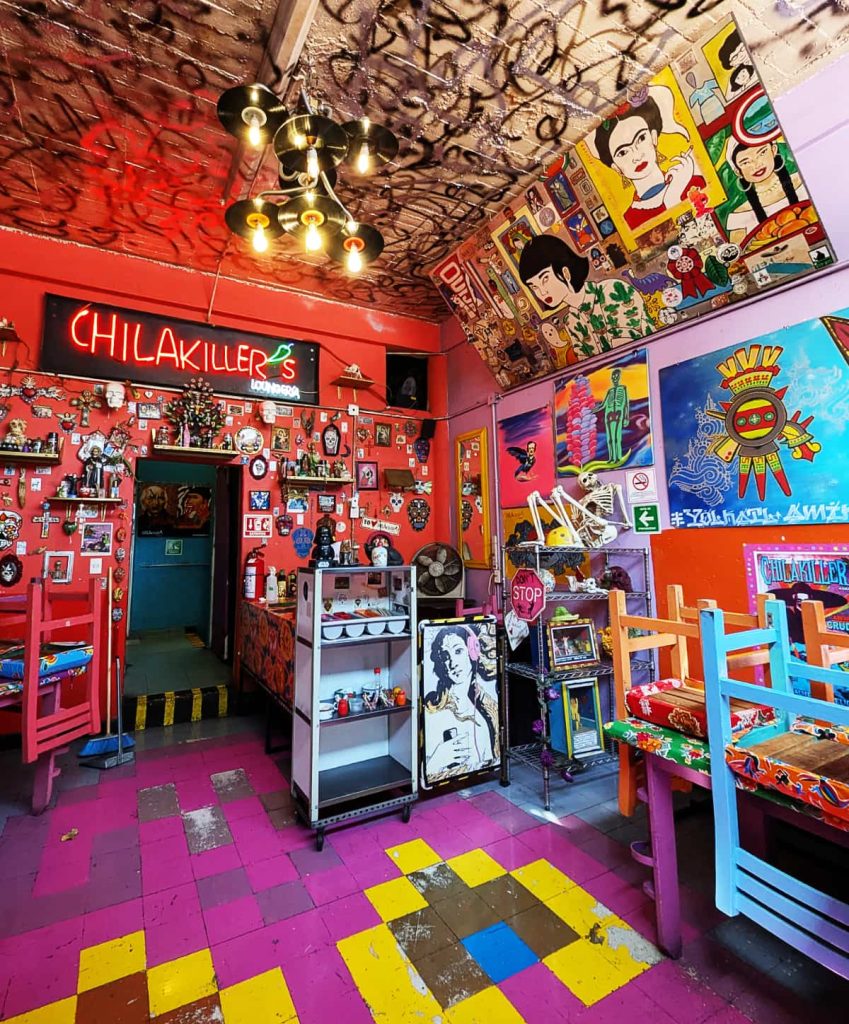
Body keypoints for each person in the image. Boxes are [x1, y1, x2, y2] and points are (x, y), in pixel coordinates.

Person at [518, 233, 651, 356]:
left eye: (545, 279)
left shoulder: (612, 290)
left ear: (565, 273)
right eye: (534, 286)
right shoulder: (570, 322)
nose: (542, 292)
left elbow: (629, 353)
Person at [592, 88, 705, 231]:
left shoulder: (695, 183)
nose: (637, 156)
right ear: (615, 167)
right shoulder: (630, 220)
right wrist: (672, 197)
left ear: (653, 137)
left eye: (641, 138)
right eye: (623, 152)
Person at [423, 625, 499, 781]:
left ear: (472, 651)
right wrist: (438, 758)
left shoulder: (486, 709)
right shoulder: (433, 711)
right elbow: (425, 772)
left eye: (458, 651)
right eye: (445, 656)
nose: (452, 663)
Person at [724, 139, 807, 246]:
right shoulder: (739, 215)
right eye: (746, 162)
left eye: (762, 153)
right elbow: (740, 254)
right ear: (738, 171)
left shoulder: (802, 182)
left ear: (773, 150)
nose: (756, 165)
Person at [599, 367, 630, 464]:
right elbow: (603, 405)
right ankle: (612, 458)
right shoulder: (610, 391)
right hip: (608, 414)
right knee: (610, 439)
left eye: (616, 376)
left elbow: (625, 404)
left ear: (619, 377)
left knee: (617, 437)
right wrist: (590, 410)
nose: (614, 378)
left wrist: (626, 417)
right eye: (613, 376)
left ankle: (618, 457)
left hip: (619, 413)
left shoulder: (623, 388)